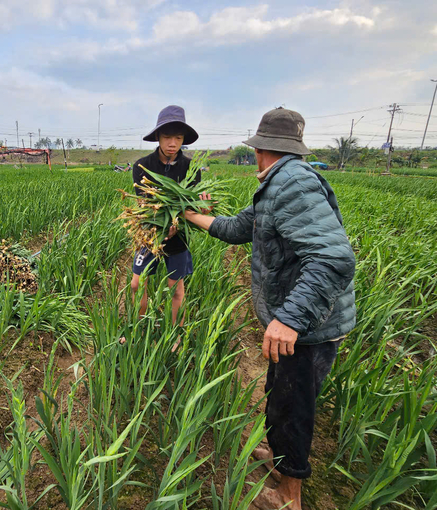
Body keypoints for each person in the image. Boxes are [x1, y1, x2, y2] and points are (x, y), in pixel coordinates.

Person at [183, 108, 356, 510]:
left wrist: (289, 319)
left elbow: (333, 258)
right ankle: (279, 461)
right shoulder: (276, 185)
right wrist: (188, 214)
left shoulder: (292, 183)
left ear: (260, 148)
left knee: (294, 406)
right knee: (279, 395)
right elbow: (238, 229)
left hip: (311, 325)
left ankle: (288, 497)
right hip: (302, 321)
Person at [123, 105, 202, 346]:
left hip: (178, 238)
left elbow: (190, 205)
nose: (172, 143)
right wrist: (159, 224)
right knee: (137, 283)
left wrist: (179, 221)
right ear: (157, 137)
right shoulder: (142, 166)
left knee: (175, 289)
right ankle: (137, 327)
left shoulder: (191, 169)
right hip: (149, 235)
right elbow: (144, 204)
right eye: (167, 137)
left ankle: (174, 335)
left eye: (178, 138)